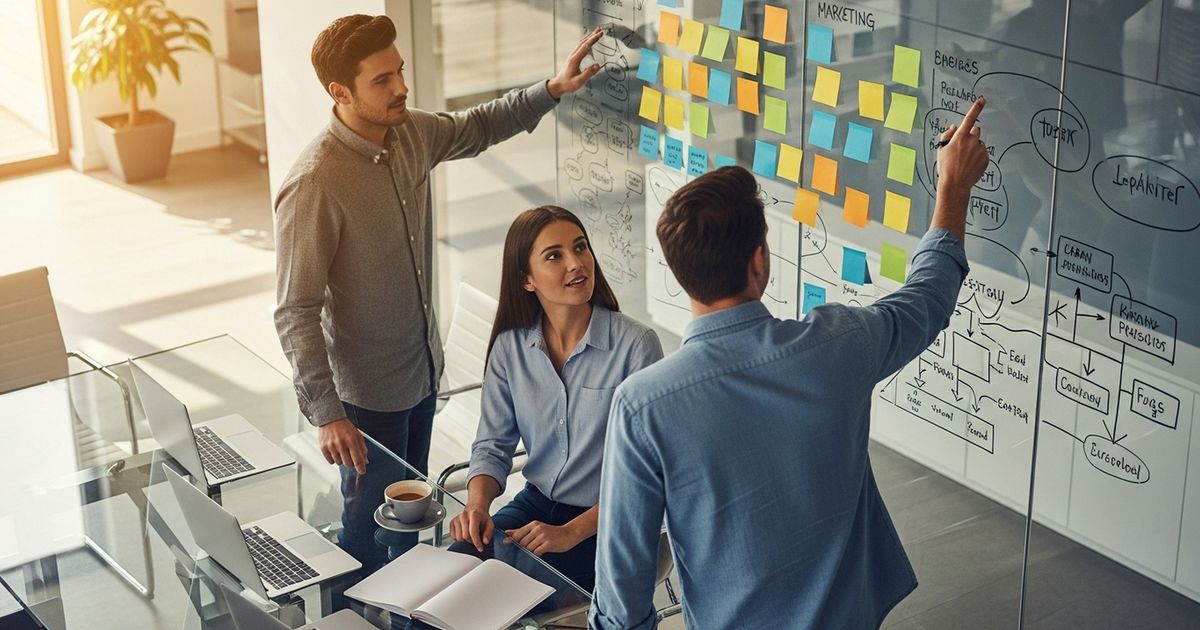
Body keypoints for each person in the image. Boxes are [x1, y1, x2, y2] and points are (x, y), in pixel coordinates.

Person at [590, 99, 992, 629]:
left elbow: (622, 603)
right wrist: (953, 187)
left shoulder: (643, 406)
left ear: (677, 270)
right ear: (760, 260)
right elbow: (928, 298)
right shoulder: (839, 344)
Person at [273, 14, 603, 575]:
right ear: (340, 93)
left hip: (422, 377)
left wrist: (551, 90)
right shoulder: (315, 184)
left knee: (411, 524)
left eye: (399, 71)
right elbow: (294, 311)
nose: (401, 87)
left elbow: (477, 125)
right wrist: (328, 414)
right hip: (365, 404)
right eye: (382, 80)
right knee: (368, 536)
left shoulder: (409, 134)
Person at [446, 206, 663, 592]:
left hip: (606, 524)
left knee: (500, 601)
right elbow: (493, 446)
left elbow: (647, 476)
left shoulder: (636, 347)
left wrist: (570, 532)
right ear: (527, 280)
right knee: (444, 583)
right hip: (534, 507)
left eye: (580, 248)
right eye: (554, 256)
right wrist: (477, 506)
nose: (576, 263)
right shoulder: (510, 347)